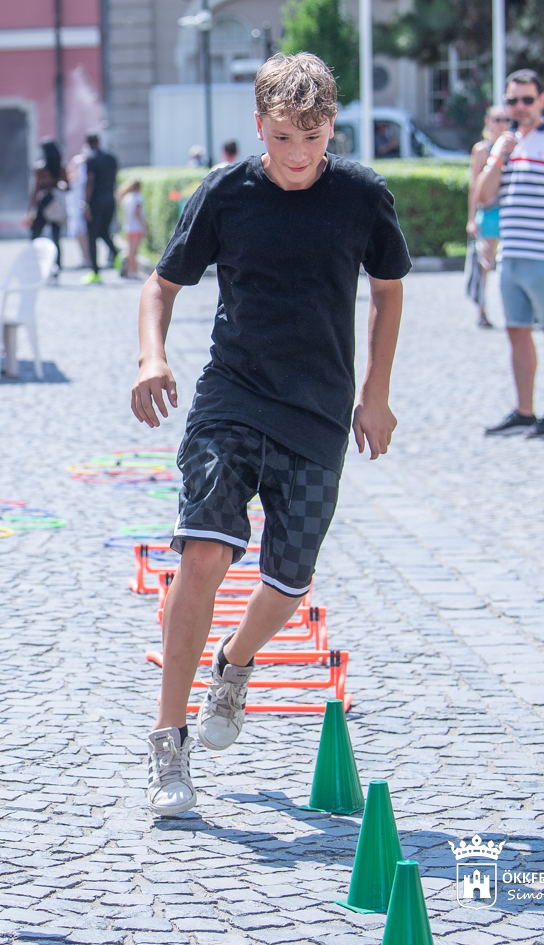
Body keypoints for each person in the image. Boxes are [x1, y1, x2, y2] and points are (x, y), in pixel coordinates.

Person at [129, 53, 409, 815]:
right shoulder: (226, 193)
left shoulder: (361, 197)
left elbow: (387, 291)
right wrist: (153, 355)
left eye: (312, 137)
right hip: (232, 398)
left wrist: (376, 393)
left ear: (331, 131)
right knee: (204, 553)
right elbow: (162, 284)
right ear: (260, 126)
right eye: (283, 135)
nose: (296, 154)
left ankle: (235, 662)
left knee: (289, 579)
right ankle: (168, 739)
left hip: (318, 411)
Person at [474, 70, 544, 440]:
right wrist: (497, 157)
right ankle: (525, 411)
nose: (519, 108)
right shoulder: (506, 144)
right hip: (511, 256)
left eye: (526, 100)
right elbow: (482, 197)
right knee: (516, 332)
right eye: (512, 101)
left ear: (542, 100)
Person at [465, 105, 511, 330]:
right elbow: (474, 185)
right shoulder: (482, 149)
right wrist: (471, 218)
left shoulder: (515, 146)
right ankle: (481, 310)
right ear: (488, 122)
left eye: (505, 119)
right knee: (485, 263)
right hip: (490, 211)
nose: (501, 123)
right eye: (497, 119)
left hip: (511, 211)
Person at [83, 131, 120, 282]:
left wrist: (85, 203)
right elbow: (115, 177)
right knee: (104, 232)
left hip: (96, 201)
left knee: (92, 236)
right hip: (110, 198)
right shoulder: (111, 158)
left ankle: (95, 272)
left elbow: (90, 182)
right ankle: (117, 256)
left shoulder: (91, 158)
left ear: (88, 142)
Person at [27, 139, 69, 276]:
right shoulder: (61, 167)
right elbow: (68, 186)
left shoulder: (40, 168)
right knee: (56, 238)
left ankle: (34, 264)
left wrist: (30, 210)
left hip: (44, 203)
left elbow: (36, 190)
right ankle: (57, 267)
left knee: (35, 235)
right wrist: (57, 185)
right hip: (56, 203)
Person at [119, 178, 148, 279]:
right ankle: (132, 271)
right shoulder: (137, 197)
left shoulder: (126, 197)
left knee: (130, 250)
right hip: (136, 227)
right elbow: (137, 212)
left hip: (128, 226)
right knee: (134, 251)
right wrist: (144, 224)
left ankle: (129, 270)